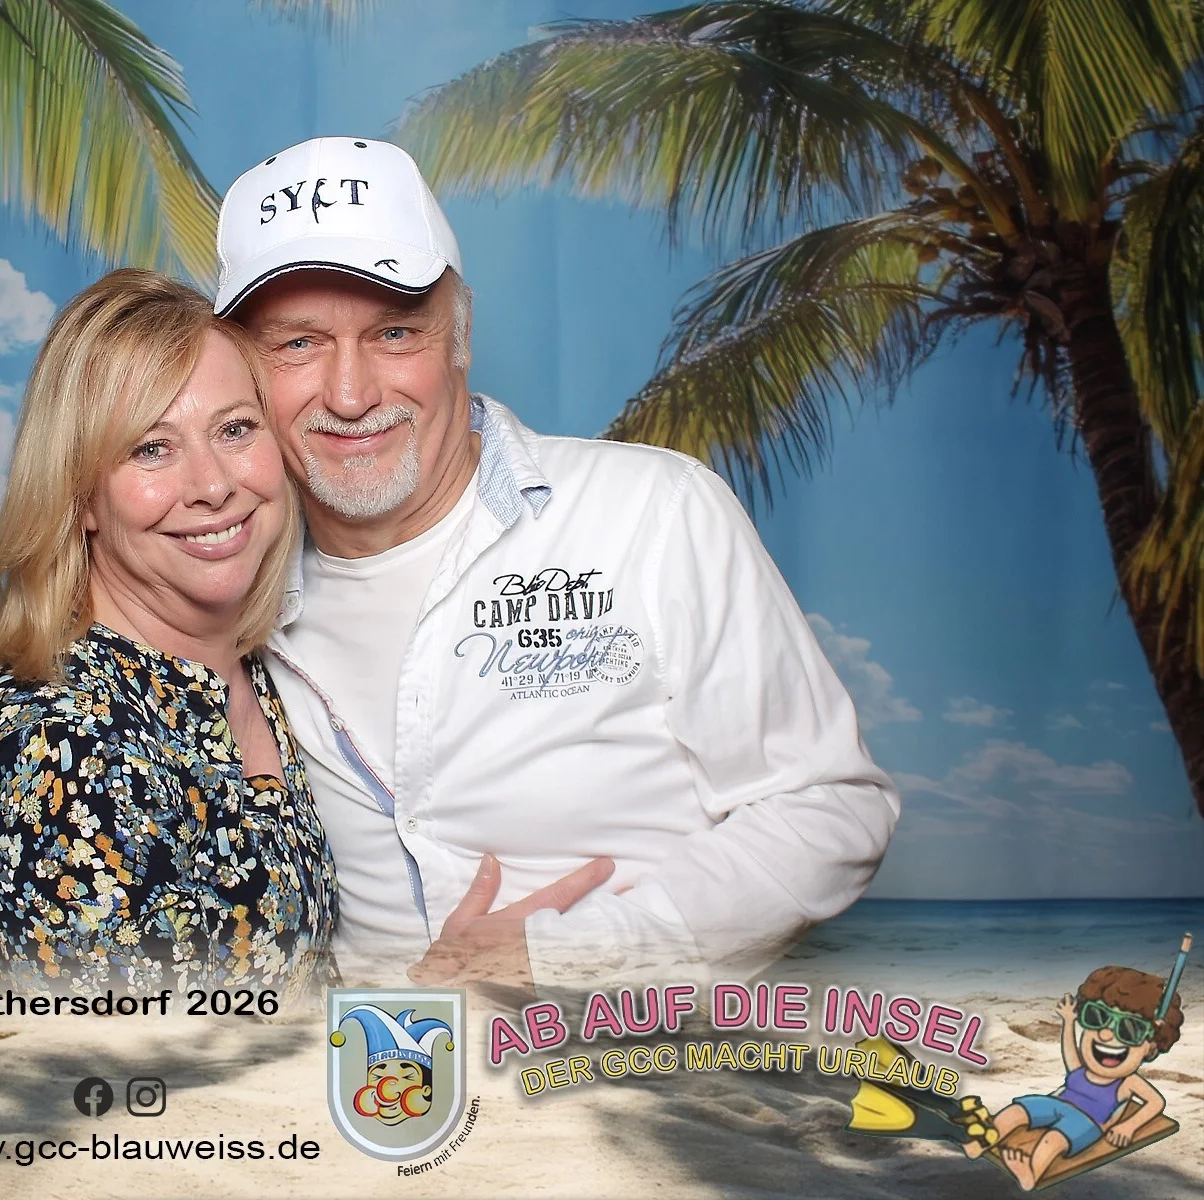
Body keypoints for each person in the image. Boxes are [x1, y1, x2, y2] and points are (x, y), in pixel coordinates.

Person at [213, 136, 901, 990]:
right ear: (241, 367)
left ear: (460, 336)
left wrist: (573, 955)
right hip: (387, 1065)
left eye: (395, 333)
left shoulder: (653, 513)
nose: (350, 395)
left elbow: (832, 809)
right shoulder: (225, 576)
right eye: (297, 345)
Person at [0, 269, 335, 997]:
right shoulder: (61, 756)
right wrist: (442, 993)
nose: (213, 485)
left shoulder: (239, 672)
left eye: (236, 429)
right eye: (151, 448)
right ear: (79, 495)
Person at [964, 964, 1183, 1189]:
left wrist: (1128, 1126)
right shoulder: (1081, 1069)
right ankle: (980, 1143)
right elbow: (1070, 1050)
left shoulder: (1127, 1083)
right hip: (1056, 1104)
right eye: (1097, 1017)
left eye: (1129, 1030)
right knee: (1015, 1112)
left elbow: (1155, 1102)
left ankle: (1031, 1173)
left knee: (1053, 1140)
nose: (1106, 1034)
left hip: (1086, 1121)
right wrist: (1068, 1021)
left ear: (1150, 1048)